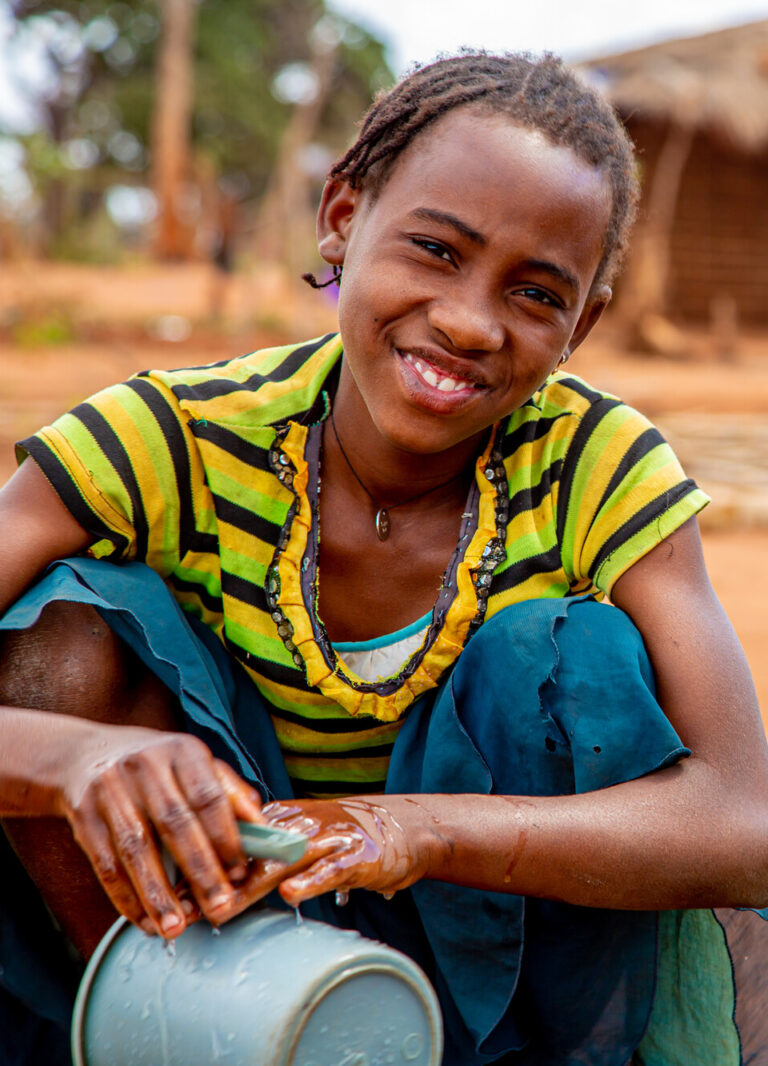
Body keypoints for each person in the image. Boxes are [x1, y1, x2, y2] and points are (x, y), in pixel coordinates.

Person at [1, 52, 767, 1066]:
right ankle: (155, 1027)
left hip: (503, 930)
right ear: (341, 216)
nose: (467, 321)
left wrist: (417, 830)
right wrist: (74, 761)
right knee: (62, 629)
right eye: (438, 252)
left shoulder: (595, 466)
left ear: (580, 326)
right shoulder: (166, 439)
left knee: (564, 655)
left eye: (536, 295)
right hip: (216, 929)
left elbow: (741, 818)